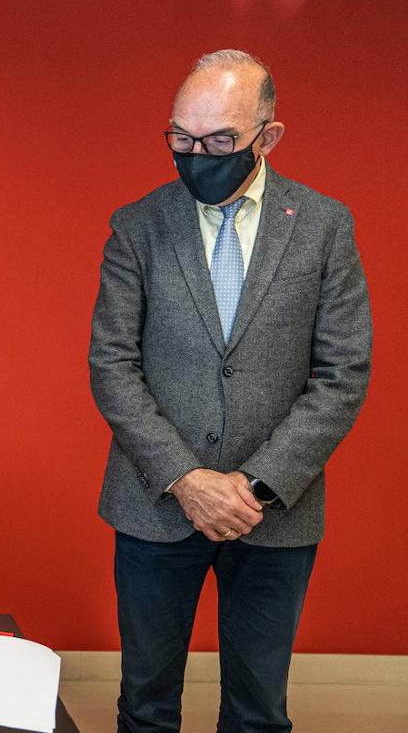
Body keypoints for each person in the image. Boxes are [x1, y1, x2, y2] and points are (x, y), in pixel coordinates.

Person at [89, 49, 372, 732]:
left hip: (273, 511)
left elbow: (342, 373)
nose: (195, 156)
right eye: (181, 139)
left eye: (219, 141)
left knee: (258, 710)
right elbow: (112, 365)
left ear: (267, 136)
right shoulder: (138, 224)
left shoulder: (325, 225)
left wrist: (253, 484)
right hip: (157, 503)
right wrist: (189, 479)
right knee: (146, 702)